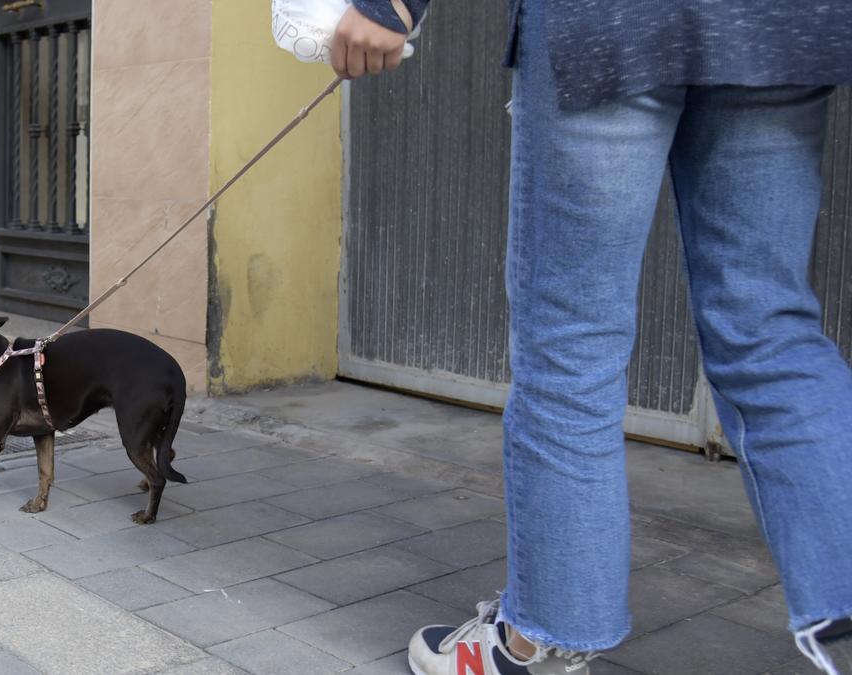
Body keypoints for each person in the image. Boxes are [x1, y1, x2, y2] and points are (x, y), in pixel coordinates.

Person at [330, 0, 852, 673]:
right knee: (772, 331)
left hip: (617, 21)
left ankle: (543, 637)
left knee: (572, 341)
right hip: (777, 21)